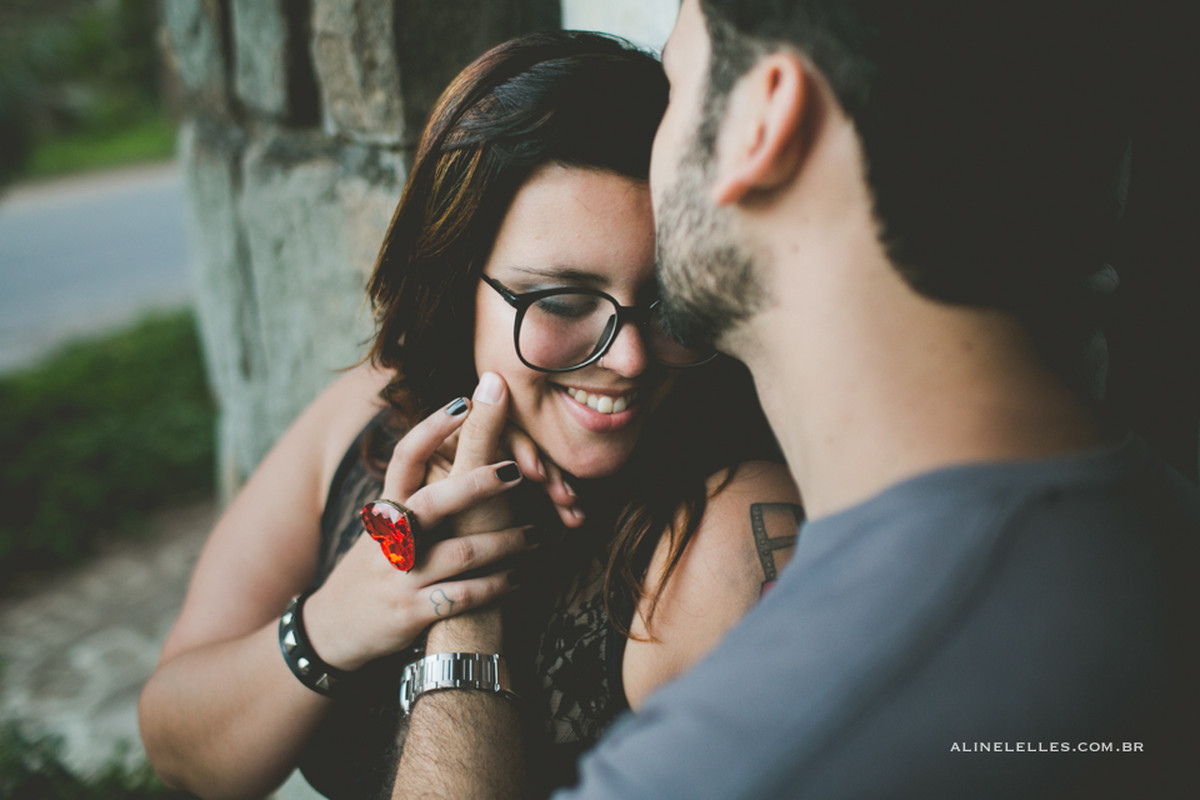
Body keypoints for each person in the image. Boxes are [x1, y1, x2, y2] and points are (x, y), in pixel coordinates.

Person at [376, 2, 1198, 799]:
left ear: (761, 121)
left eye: (678, 77)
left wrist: (462, 621)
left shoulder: (761, 751)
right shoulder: (1138, 534)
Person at [138, 31, 800, 800]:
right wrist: (337, 622)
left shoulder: (723, 540)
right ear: (458, 289)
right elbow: (177, 743)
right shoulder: (366, 414)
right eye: (561, 301)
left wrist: (462, 606)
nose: (629, 360)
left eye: (666, 303)